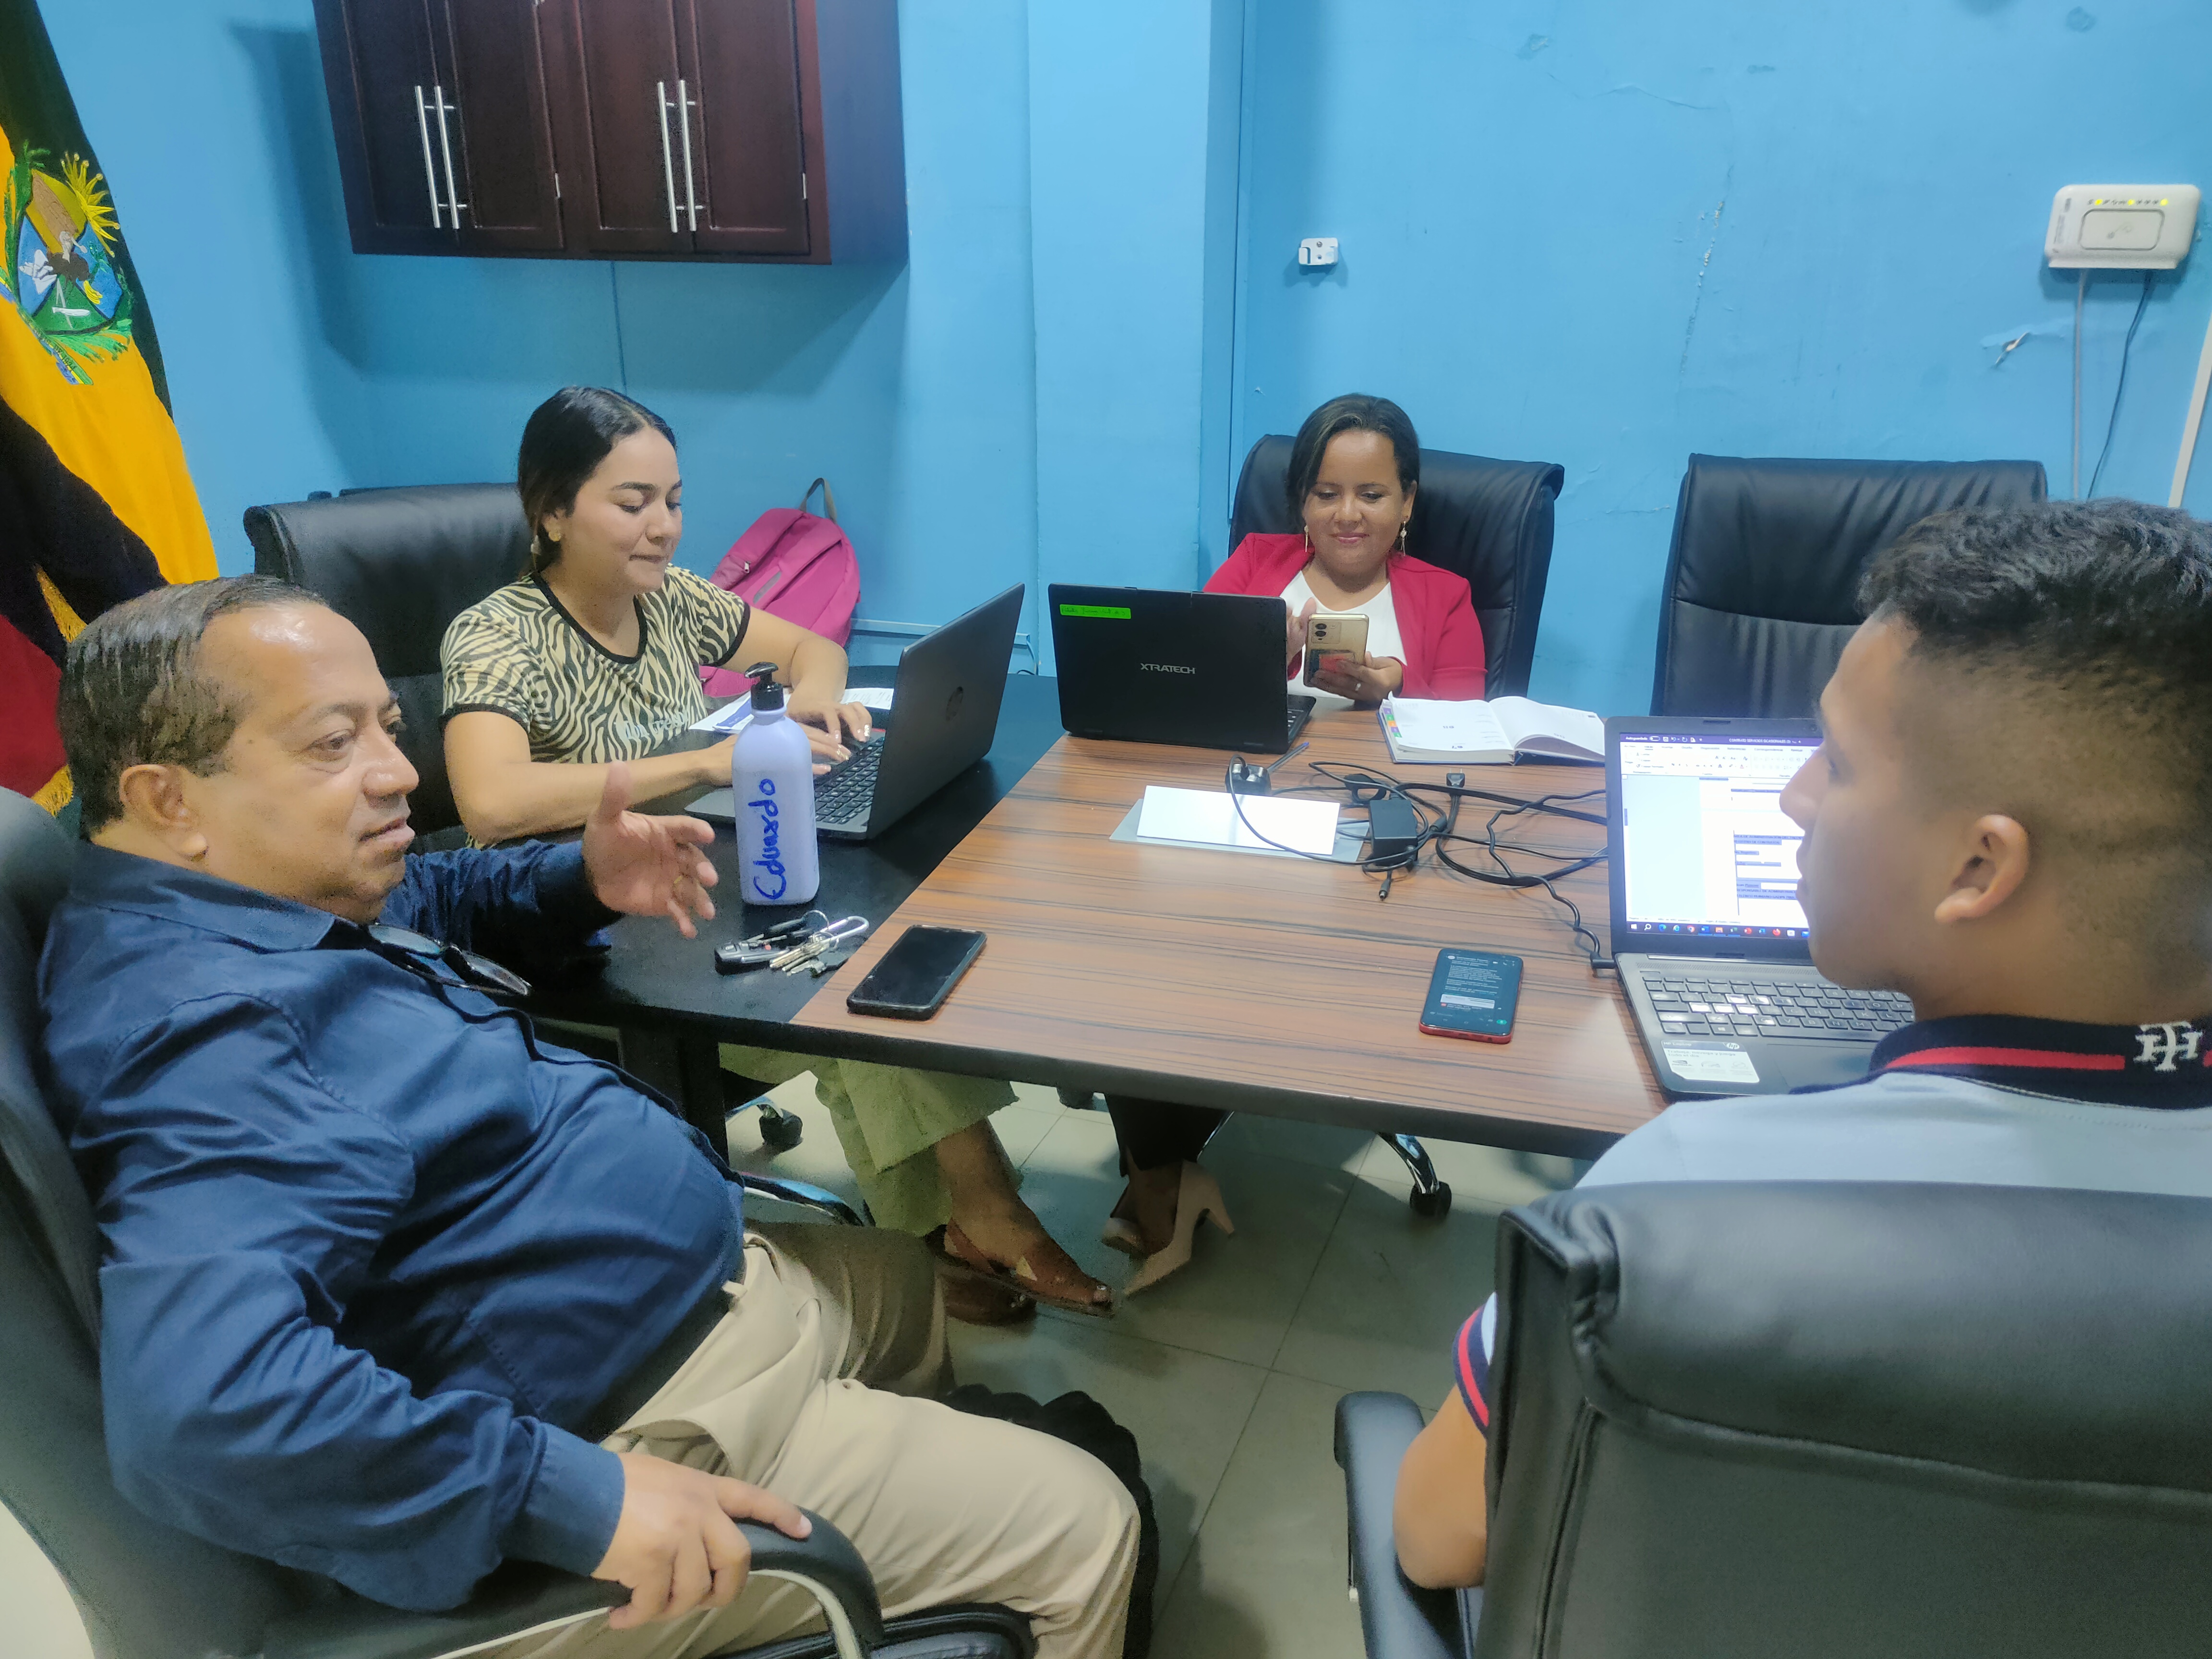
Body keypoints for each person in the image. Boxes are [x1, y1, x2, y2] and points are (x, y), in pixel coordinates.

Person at [40, 576, 1139, 1659]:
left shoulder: (256, 896)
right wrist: (576, 1498)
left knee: (899, 1282)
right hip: (630, 1422)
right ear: (168, 799)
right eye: (335, 744)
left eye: (387, 729)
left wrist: (581, 878)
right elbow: (204, 1415)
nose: (400, 773)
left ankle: (902, 1576)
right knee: (1088, 1527)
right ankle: (951, 1561)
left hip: (686, 1308)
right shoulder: (208, 1038)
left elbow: (426, 897)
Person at [1395, 498, 2212, 1592]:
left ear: (1979, 869)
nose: (1791, 796)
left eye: (1836, 761)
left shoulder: (1687, 1192)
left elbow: (1439, 1533)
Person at [442, 387, 1110, 1322]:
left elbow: (811, 651)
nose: (664, 527)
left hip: (695, 895)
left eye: (674, 500)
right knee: (844, 996)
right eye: (632, 503)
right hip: (588, 934)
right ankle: (983, 1217)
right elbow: (490, 802)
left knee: (872, 957)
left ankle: (951, 1229)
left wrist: (819, 701)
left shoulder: (668, 598)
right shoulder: (497, 635)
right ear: (551, 511)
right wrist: (704, 761)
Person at [1094, 394, 1489, 1293]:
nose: (1349, 514)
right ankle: (1163, 1168)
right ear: (1301, 502)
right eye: (1326, 492)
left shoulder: (1443, 597)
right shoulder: (1253, 568)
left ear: (1408, 503)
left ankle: (1160, 1179)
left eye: (1372, 494)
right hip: (1244, 823)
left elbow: (1464, 749)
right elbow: (1179, 691)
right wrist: (1254, 657)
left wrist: (1394, 693)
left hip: (1372, 851)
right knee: (1137, 936)